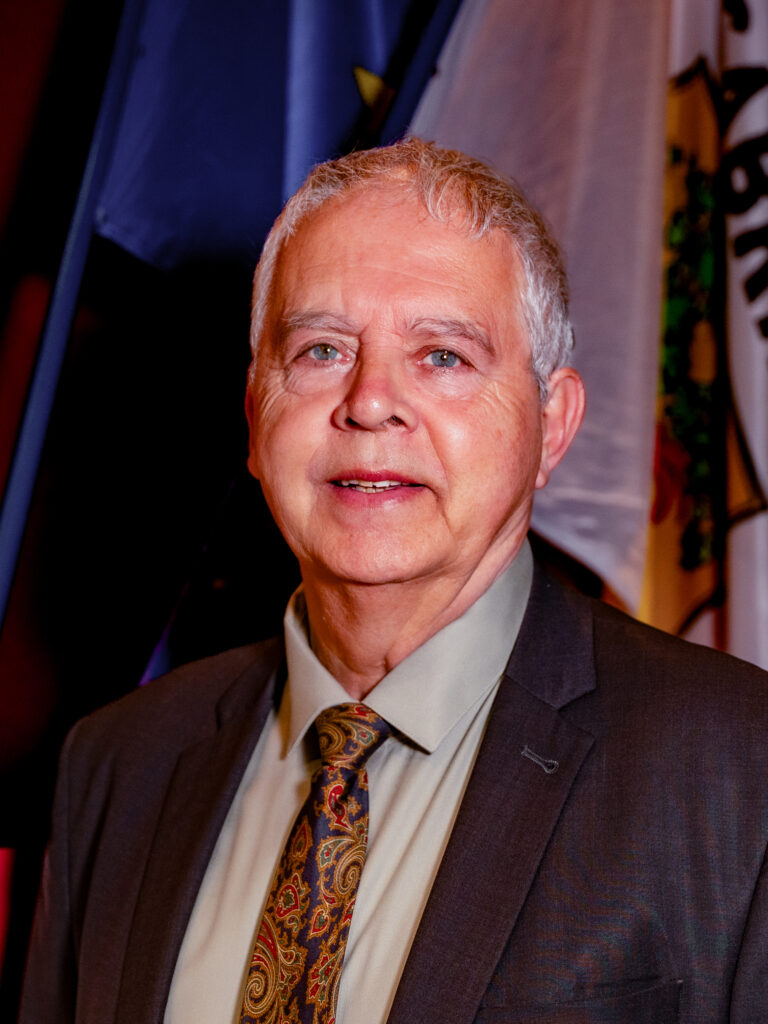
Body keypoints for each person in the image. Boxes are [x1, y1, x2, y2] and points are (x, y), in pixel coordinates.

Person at [19, 138, 768, 1024]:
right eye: (322, 350)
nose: (370, 401)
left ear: (553, 425)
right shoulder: (113, 766)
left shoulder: (738, 764)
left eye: (443, 355)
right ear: (255, 416)